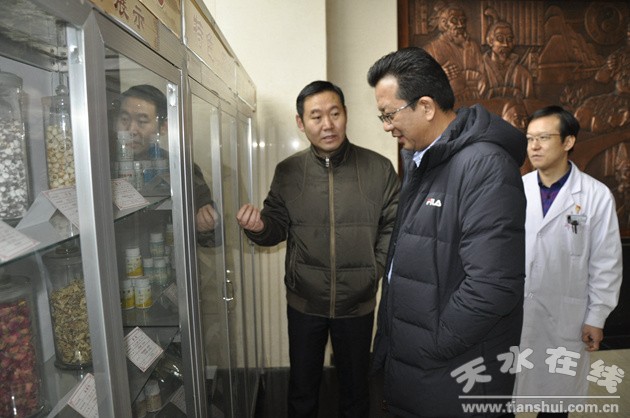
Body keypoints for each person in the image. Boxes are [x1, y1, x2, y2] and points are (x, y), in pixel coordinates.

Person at [367, 46, 527, 417]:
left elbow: (492, 287)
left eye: (389, 114)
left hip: (455, 371)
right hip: (420, 367)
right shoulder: (424, 160)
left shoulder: (484, 166)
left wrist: (432, 344)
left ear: (425, 106)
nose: (387, 126)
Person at [236, 80, 399, 418]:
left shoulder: (378, 168)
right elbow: (276, 224)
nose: (328, 124)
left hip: (357, 303)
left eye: (335, 113)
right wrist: (259, 227)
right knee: (302, 390)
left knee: (356, 391)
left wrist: (375, 269)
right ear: (301, 122)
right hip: (305, 301)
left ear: (346, 114)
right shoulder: (288, 171)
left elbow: (393, 226)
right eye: (316, 116)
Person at [514, 106, 623, 417]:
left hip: (565, 317)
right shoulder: (516, 189)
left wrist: (597, 316)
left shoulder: (595, 195)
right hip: (515, 314)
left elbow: (606, 262)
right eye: (529, 139)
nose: (534, 146)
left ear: (568, 141)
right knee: (502, 397)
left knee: (555, 400)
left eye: (544, 138)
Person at [116, 84, 220, 247]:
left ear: (163, 127)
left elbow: (213, 237)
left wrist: (206, 226)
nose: (131, 130)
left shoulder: (181, 168)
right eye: (124, 119)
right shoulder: (100, 167)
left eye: (142, 121)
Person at [424, 1, 485, 104]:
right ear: (444, 23)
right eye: (454, 20)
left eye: (462, 20)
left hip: (475, 101)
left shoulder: (473, 46)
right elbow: (421, 83)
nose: (460, 25)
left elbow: (484, 74)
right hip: (447, 105)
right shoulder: (431, 49)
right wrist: (439, 75)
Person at [480, 16, 533, 100]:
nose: (505, 44)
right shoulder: (479, 70)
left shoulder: (523, 74)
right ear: (490, 41)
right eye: (500, 39)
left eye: (509, 39)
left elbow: (531, 104)